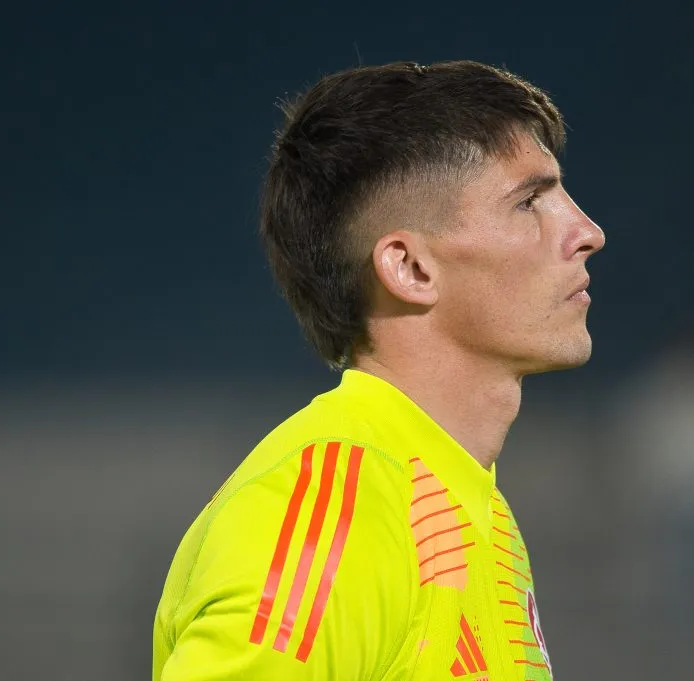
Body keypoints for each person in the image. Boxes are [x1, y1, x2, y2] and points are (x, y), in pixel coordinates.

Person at [152, 59, 605, 681]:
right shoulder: (338, 508)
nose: (587, 231)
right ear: (410, 269)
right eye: (529, 202)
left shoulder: (469, 502)